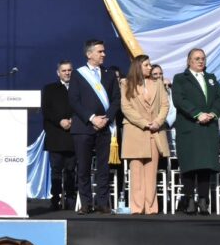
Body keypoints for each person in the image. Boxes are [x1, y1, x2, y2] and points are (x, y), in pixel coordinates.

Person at [68, 39, 121, 214]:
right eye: (100, 51)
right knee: (83, 167)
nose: (103, 54)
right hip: (84, 127)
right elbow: (74, 101)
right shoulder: (78, 74)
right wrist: (92, 118)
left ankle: (103, 202)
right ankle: (85, 203)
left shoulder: (109, 74)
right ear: (89, 54)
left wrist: (106, 119)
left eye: (104, 51)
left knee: (103, 168)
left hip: (104, 127)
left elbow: (116, 100)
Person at [171, 48, 220, 215]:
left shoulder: (211, 78)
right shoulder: (180, 78)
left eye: (202, 58)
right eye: (196, 58)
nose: (200, 61)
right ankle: (188, 200)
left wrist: (214, 113)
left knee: (205, 166)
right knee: (189, 165)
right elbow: (179, 100)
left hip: (208, 128)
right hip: (189, 127)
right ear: (189, 61)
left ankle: (203, 200)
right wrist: (197, 113)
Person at [120, 55, 170, 214]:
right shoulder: (127, 84)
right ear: (138, 67)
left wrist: (157, 121)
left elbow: (164, 105)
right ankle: (137, 207)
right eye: (146, 65)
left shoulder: (157, 84)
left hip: (154, 131)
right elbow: (126, 107)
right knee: (136, 171)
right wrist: (143, 122)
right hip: (136, 131)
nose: (150, 67)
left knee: (151, 170)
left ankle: (151, 207)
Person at [41, 60, 77, 210]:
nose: (67, 73)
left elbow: (83, 107)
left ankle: (70, 199)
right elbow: (46, 110)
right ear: (58, 73)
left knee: (71, 169)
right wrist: (60, 121)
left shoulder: (78, 88)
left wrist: (73, 120)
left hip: (73, 136)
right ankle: (55, 199)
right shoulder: (49, 89)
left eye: (69, 70)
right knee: (56, 169)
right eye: (64, 70)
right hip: (56, 135)